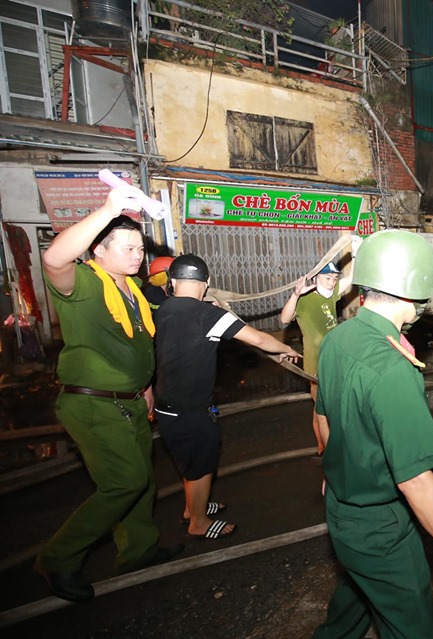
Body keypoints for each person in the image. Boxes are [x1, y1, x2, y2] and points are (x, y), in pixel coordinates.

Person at [312, 230, 433, 638]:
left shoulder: (339, 338)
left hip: (343, 513)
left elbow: (323, 419)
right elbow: (416, 480)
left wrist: (334, 472)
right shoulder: (391, 368)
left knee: (354, 600)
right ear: (416, 284)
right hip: (380, 526)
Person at [35, 185, 183, 602]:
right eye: (129, 248)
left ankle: (138, 552)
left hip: (130, 399)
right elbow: (53, 257)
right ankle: (58, 559)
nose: (138, 256)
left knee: (143, 481)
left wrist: (147, 387)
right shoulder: (82, 282)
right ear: (99, 250)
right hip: (94, 402)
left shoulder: (131, 290)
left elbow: (138, 344)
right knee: (124, 482)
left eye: (140, 249)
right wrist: (108, 209)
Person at [154, 255, 300, 539]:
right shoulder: (209, 315)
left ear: (172, 283)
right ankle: (198, 521)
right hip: (191, 409)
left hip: (166, 407)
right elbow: (257, 338)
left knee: (189, 461)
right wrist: (285, 348)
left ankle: (193, 507)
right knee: (201, 464)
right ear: (207, 283)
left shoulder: (164, 309)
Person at [279, 259, 354, 460]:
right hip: (316, 361)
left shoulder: (331, 294)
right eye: (327, 277)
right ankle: (327, 450)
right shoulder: (305, 299)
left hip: (335, 357)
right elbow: (285, 319)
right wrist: (295, 295)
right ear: (316, 278)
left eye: (334, 278)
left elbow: (352, 278)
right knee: (321, 405)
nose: (331, 282)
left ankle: (325, 445)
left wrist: (355, 252)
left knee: (331, 404)